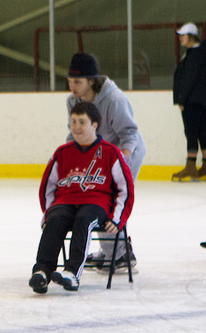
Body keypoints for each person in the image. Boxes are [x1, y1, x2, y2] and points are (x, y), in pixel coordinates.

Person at [30, 102, 134, 293]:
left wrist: (117, 218)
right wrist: (48, 213)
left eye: (82, 122)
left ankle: (72, 273)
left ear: (95, 125)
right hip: (66, 201)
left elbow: (125, 189)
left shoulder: (111, 152)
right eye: (73, 122)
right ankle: (42, 271)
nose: (76, 127)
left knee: (83, 220)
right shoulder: (62, 153)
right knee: (55, 220)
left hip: (96, 203)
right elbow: (48, 187)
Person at [65, 52, 146, 270]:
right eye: (70, 80)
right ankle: (110, 250)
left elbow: (129, 134)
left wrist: (119, 165)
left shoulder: (114, 99)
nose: (72, 86)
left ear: (91, 81)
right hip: (101, 153)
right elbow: (74, 133)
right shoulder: (73, 100)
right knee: (94, 194)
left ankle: (121, 255)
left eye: (78, 81)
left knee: (109, 196)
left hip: (128, 150)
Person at [173, 22, 206, 182]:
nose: (180, 39)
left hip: (192, 100)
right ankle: (204, 165)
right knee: (202, 132)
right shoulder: (197, 53)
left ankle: (191, 166)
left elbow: (189, 78)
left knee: (191, 132)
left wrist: (181, 98)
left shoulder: (194, 54)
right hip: (200, 100)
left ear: (191, 37)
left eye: (183, 36)